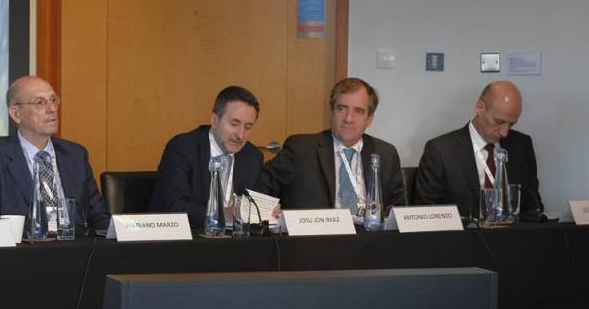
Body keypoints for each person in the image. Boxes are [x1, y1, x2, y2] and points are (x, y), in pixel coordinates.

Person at [0, 75, 111, 231]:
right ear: (16, 114)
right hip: (23, 252)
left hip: (77, 249)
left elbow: (99, 217)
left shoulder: (75, 155)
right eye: (40, 102)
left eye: (53, 100)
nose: (51, 109)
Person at [258, 77, 405, 214]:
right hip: (316, 238)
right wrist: (268, 211)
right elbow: (261, 184)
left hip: (369, 238)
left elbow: (397, 209)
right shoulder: (300, 150)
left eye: (358, 111)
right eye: (341, 108)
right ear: (331, 112)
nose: (348, 118)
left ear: (369, 119)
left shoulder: (385, 153)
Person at [412, 80, 542, 216]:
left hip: (513, 235)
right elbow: (424, 214)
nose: (504, 132)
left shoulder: (522, 145)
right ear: (480, 108)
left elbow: (533, 207)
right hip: (462, 236)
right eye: (499, 122)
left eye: (511, 124)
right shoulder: (440, 151)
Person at [149, 85, 264, 227]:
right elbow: (174, 208)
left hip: (235, 244)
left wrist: (264, 211)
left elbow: (252, 206)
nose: (240, 135)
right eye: (234, 124)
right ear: (215, 120)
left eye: (248, 127)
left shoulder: (252, 156)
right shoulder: (183, 148)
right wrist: (226, 215)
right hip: (184, 241)